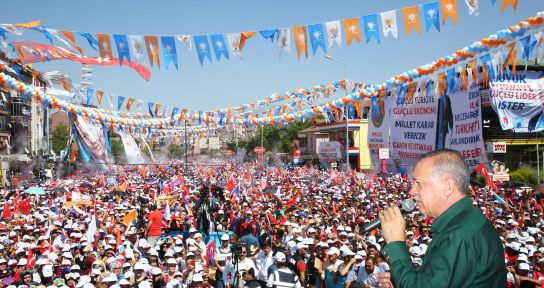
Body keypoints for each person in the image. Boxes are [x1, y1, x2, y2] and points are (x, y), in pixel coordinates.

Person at [378, 149, 507, 287]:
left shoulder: (457, 235)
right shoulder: (466, 221)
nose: (412, 191)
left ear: (448, 186)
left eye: (419, 183)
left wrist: (396, 242)